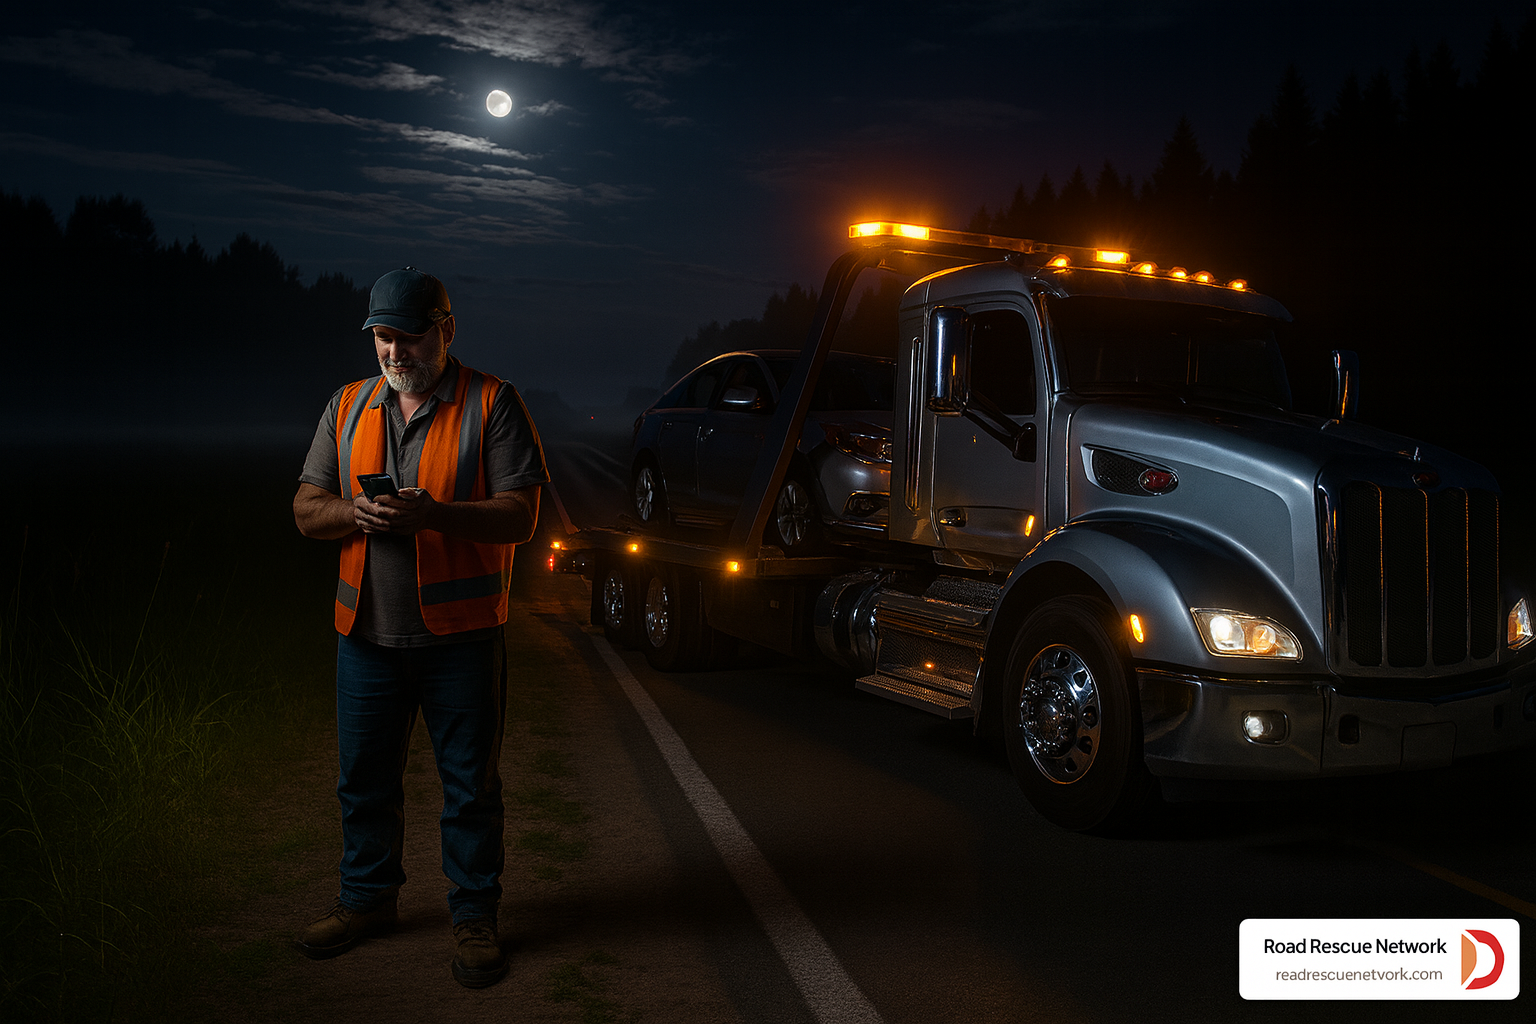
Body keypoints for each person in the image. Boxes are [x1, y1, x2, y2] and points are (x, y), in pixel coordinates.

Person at [292, 267, 547, 988]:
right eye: (382, 337)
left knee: (470, 789)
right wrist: (355, 514)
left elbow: (521, 517)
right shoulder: (346, 406)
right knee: (363, 782)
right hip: (364, 638)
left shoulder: (493, 403)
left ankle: (474, 917)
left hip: (461, 640)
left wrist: (435, 513)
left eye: (408, 336)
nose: (395, 352)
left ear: (446, 330)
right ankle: (366, 902)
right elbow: (307, 508)